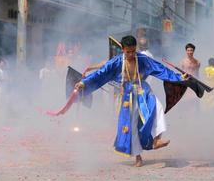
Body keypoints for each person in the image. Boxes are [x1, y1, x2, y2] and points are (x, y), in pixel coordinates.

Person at [75, 35, 188, 167]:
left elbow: (160, 69)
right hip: (127, 95)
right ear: (122, 49)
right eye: (128, 51)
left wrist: (178, 77)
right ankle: (138, 157)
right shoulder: (116, 62)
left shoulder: (143, 59)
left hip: (143, 90)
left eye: (133, 51)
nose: (131, 54)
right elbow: (101, 73)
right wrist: (84, 82)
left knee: (158, 108)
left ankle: (157, 140)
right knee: (131, 127)